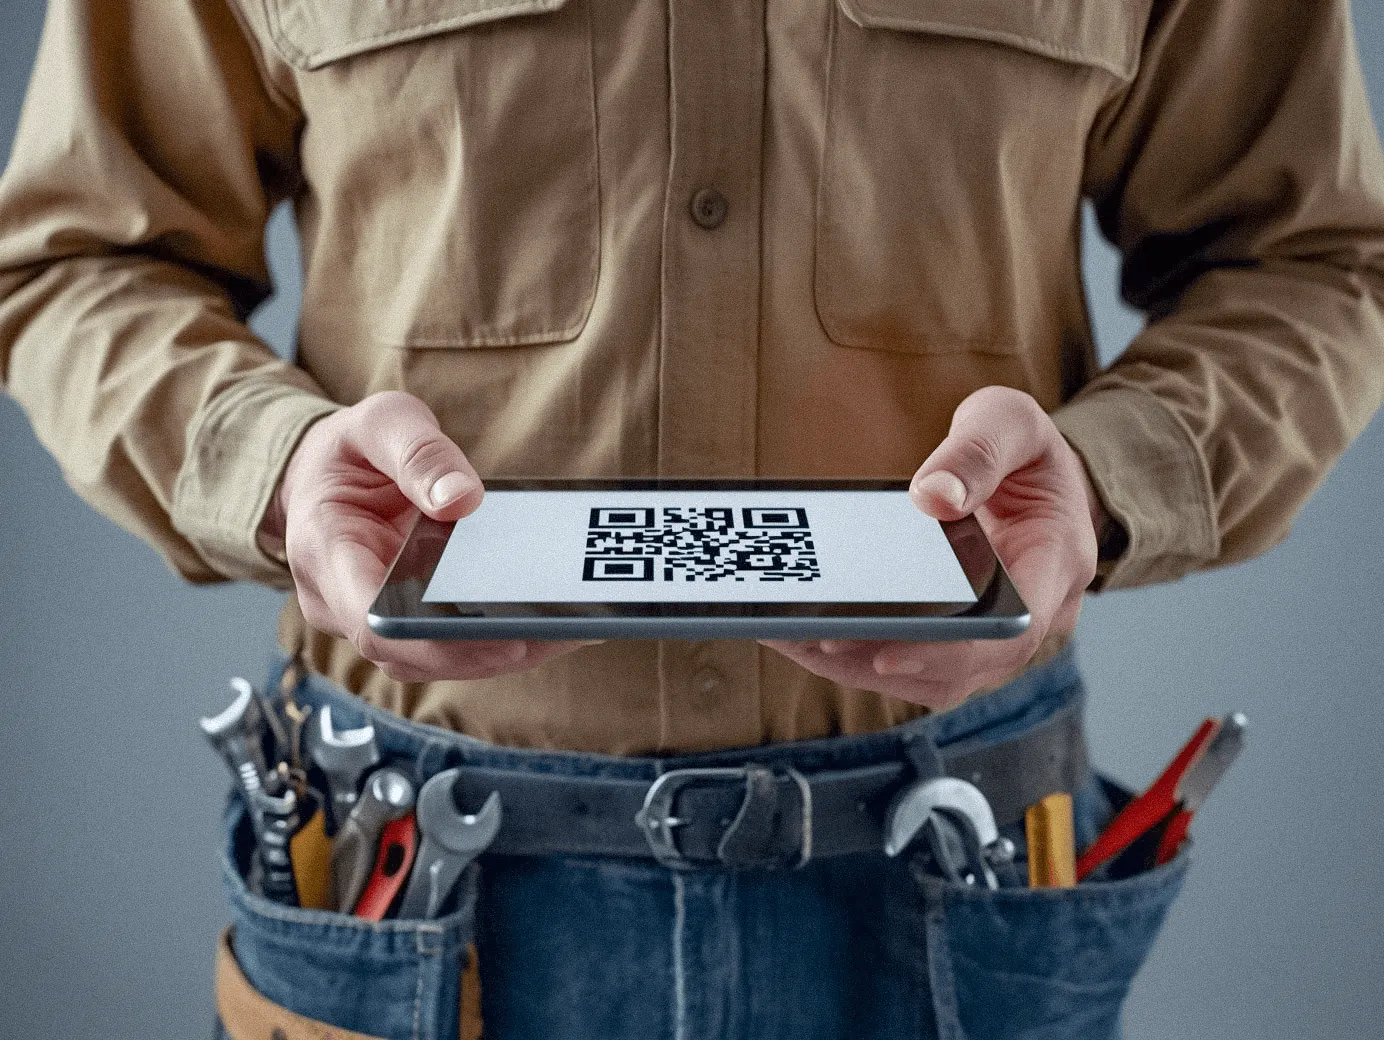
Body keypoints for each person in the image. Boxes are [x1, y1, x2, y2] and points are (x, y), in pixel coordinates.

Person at [1, 1, 1381, 1038]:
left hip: (959, 872)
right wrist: (279, 465)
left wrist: (1103, 480)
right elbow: (81, 260)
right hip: (412, 886)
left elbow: (1316, 261)